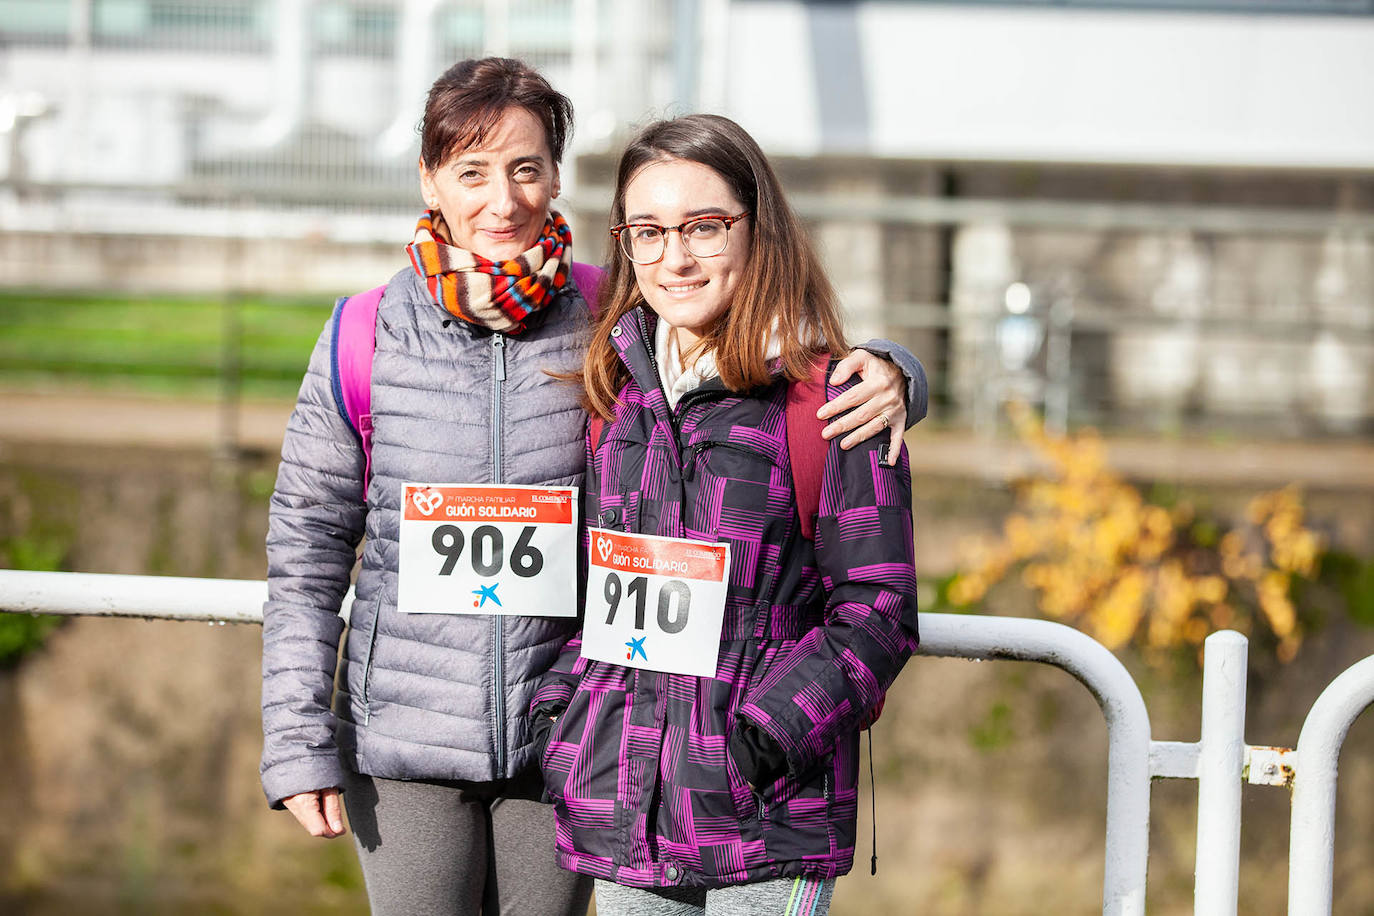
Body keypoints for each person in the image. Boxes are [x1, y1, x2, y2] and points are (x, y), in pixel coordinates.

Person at [260, 58, 923, 916]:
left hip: (599, 761)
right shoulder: (368, 335)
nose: (502, 200)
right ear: (428, 178)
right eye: (471, 171)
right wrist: (299, 740)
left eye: (526, 168)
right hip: (419, 739)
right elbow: (306, 551)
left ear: (556, 178)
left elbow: (774, 357)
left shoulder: (611, 323)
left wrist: (899, 373)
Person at [530, 113, 921, 916]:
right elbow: (592, 593)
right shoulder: (619, 394)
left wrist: (756, 741)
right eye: (649, 230)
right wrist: (563, 720)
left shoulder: (831, 400)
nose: (675, 257)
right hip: (623, 804)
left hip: (765, 818)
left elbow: (878, 612)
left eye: (704, 227)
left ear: (756, 229)